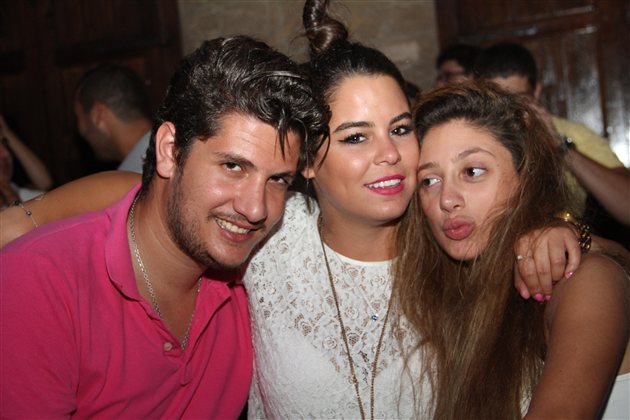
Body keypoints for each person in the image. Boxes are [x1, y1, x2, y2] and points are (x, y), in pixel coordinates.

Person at [0, 1, 584, 417]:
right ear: (308, 163)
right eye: (355, 137)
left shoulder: (448, 233)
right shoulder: (267, 236)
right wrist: (23, 219)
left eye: (401, 128)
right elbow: (144, 192)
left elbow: (576, 260)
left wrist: (559, 228)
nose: (389, 154)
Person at [0, 35, 328, 418]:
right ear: (169, 151)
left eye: (278, 180)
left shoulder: (252, 278)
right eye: (233, 166)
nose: (256, 209)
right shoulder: (39, 284)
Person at [396, 80, 629, 419]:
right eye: (429, 180)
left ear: (525, 179)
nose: (447, 199)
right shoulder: (451, 289)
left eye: (472, 171)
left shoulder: (582, 279)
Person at [472, 42, 626, 219]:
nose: (508, 110)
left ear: (536, 90)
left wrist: (560, 147)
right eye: (498, 100)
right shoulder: (465, 135)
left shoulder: (571, 133)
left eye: (519, 100)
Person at [74, 63, 153, 173]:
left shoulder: (139, 176)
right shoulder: (172, 150)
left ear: (98, 115)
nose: (80, 130)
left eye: (78, 117)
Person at [0, 115, 52, 206]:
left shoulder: (18, 191)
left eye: (5, 144)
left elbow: (45, 182)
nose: (6, 154)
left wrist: (6, 131)